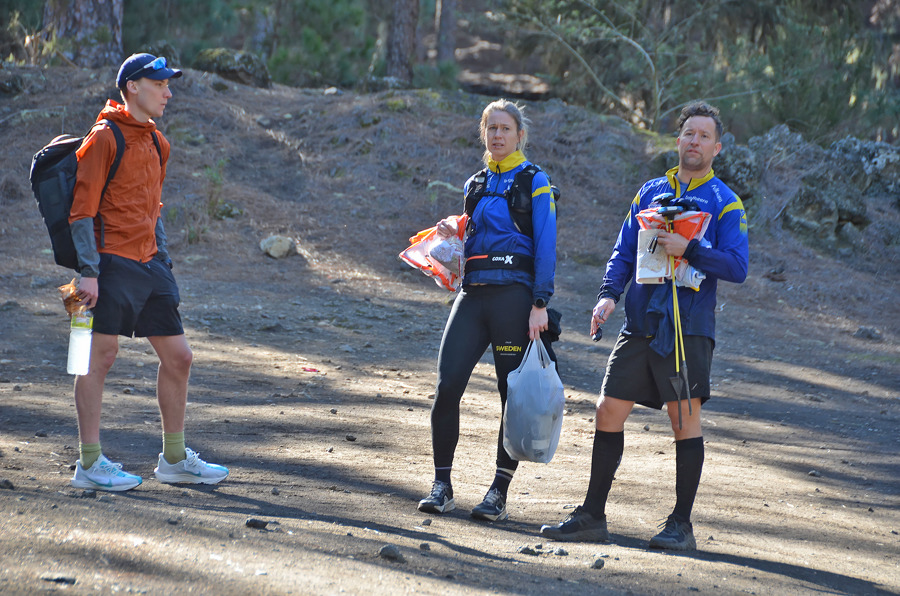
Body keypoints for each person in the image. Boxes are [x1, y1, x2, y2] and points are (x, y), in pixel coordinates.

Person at [540, 101, 748, 549]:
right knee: (608, 410)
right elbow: (623, 250)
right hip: (639, 320)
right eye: (688, 133)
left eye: (704, 136)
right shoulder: (650, 191)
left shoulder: (725, 202)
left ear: (716, 146)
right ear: (678, 140)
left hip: (686, 326)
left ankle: (681, 525)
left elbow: (737, 266)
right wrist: (607, 296)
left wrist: (689, 248)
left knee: (683, 419)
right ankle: (592, 516)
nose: (694, 142)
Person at [67, 53, 228, 491]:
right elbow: (81, 212)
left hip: (151, 263)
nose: (168, 92)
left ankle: (174, 460)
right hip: (107, 264)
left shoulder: (159, 143)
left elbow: (152, 206)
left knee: (180, 358)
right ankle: (89, 464)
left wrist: (164, 258)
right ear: (133, 86)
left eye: (168, 84)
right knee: (95, 358)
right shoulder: (104, 137)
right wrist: (87, 272)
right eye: (160, 84)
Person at [417, 99, 558, 521]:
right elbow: (471, 240)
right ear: (484, 133)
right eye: (491, 128)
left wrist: (539, 303)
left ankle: (498, 491)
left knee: (510, 396)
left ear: (520, 135)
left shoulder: (535, 181)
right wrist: (452, 233)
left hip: (515, 299)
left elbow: (546, 244)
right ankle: (442, 486)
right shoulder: (474, 184)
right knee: (447, 387)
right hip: (472, 296)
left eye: (505, 128)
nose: (498, 135)